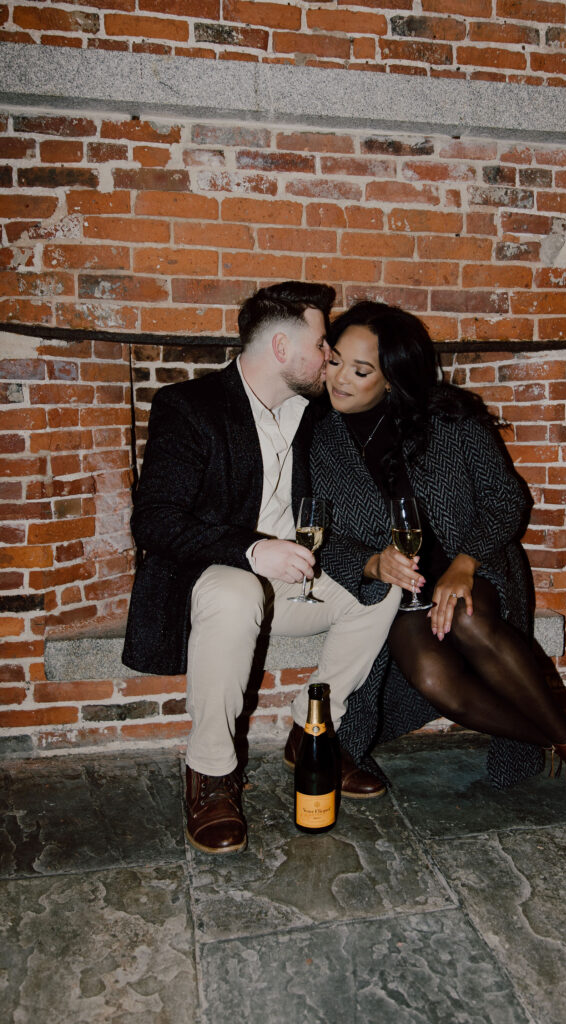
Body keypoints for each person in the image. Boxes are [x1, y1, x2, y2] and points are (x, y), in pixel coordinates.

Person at [310, 301, 566, 862]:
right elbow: (316, 534)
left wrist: (464, 563)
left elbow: (507, 500)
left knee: (473, 619)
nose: (338, 379)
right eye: (334, 362)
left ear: (393, 376)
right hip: (395, 591)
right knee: (430, 675)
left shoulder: (451, 419)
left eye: (361, 370)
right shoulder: (316, 436)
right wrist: (372, 563)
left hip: (474, 568)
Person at [122, 283, 401, 855]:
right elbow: (153, 523)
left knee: (384, 590)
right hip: (215, 574)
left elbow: (387, 416)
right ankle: (211, 773)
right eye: (322, 344)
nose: (330, 357)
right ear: (281, 347)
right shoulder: (189, 407)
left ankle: (310, 729)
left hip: (297, 575)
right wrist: (252, 550)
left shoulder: (316, 411)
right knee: (236, 593)